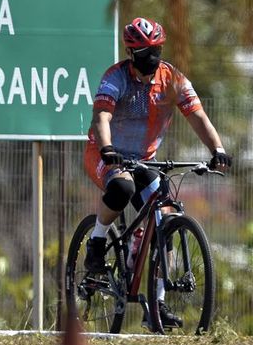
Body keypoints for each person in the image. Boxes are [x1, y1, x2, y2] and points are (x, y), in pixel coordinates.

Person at [83, 17, 232, 328]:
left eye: (157, 50)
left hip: (146, 161)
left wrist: (217, 150)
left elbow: (198, 117)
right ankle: (97, 241)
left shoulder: (173, 79)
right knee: (122, 188)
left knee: (165, 218)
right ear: (131, 53)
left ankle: (157, 304)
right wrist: (108, 150)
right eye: (145, 52)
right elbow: (102, 118)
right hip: (105, 155)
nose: (153, 57)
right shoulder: (116, 77)